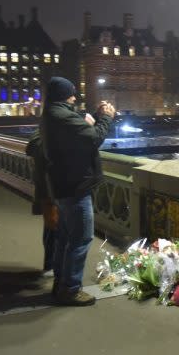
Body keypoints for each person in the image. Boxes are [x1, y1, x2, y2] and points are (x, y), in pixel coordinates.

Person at [41, 76, 115, 306]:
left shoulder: (53, 114)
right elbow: (94, 138)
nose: (74, 97)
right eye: (72, 94)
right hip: (75, 186)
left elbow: (79, 131)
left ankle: (61, 283)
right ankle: (71, 289)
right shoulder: (62, 116)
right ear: (64, 95)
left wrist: (95, 114)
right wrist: (106, 117)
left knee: (65, 237)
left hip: (63, 185)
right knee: (81, 238)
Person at [25, 129, 58, 277]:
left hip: (48, 187)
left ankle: (51, 265)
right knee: (54, 227)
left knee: (51, 227)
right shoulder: (48, 130)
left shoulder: (42, 129)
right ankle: (52, 266)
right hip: (54, 188)